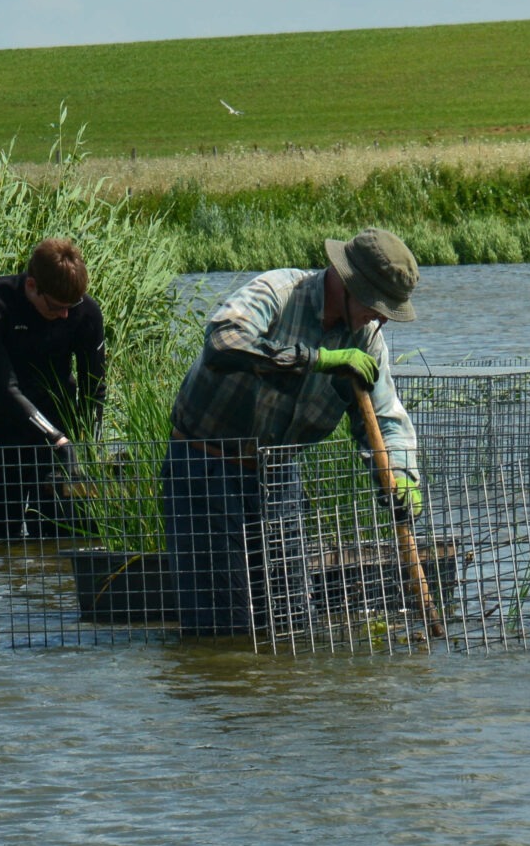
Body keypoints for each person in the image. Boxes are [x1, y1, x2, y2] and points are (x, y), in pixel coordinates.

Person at [164, 228, 424, 637]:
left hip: (278, 474)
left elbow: (385, 416)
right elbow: (221, 341)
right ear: (346, 282)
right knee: (223, 626)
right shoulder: (280, 291)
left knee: (292, 623)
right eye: (377, 305)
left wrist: (402, 474)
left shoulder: (367, 339)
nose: (382, 318)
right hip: (205, 465)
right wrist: (314, 360)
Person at [0, 237, 107, 543]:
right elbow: (4, 386)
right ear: (32, 286)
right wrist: (56, 437)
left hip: (59, 439)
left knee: (65, 542)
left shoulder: (85, 313)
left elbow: (94, 389)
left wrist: (87, 448)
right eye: (57, 307)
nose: (65, 315)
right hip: (3, 433)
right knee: (0, 548)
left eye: (72, 306)